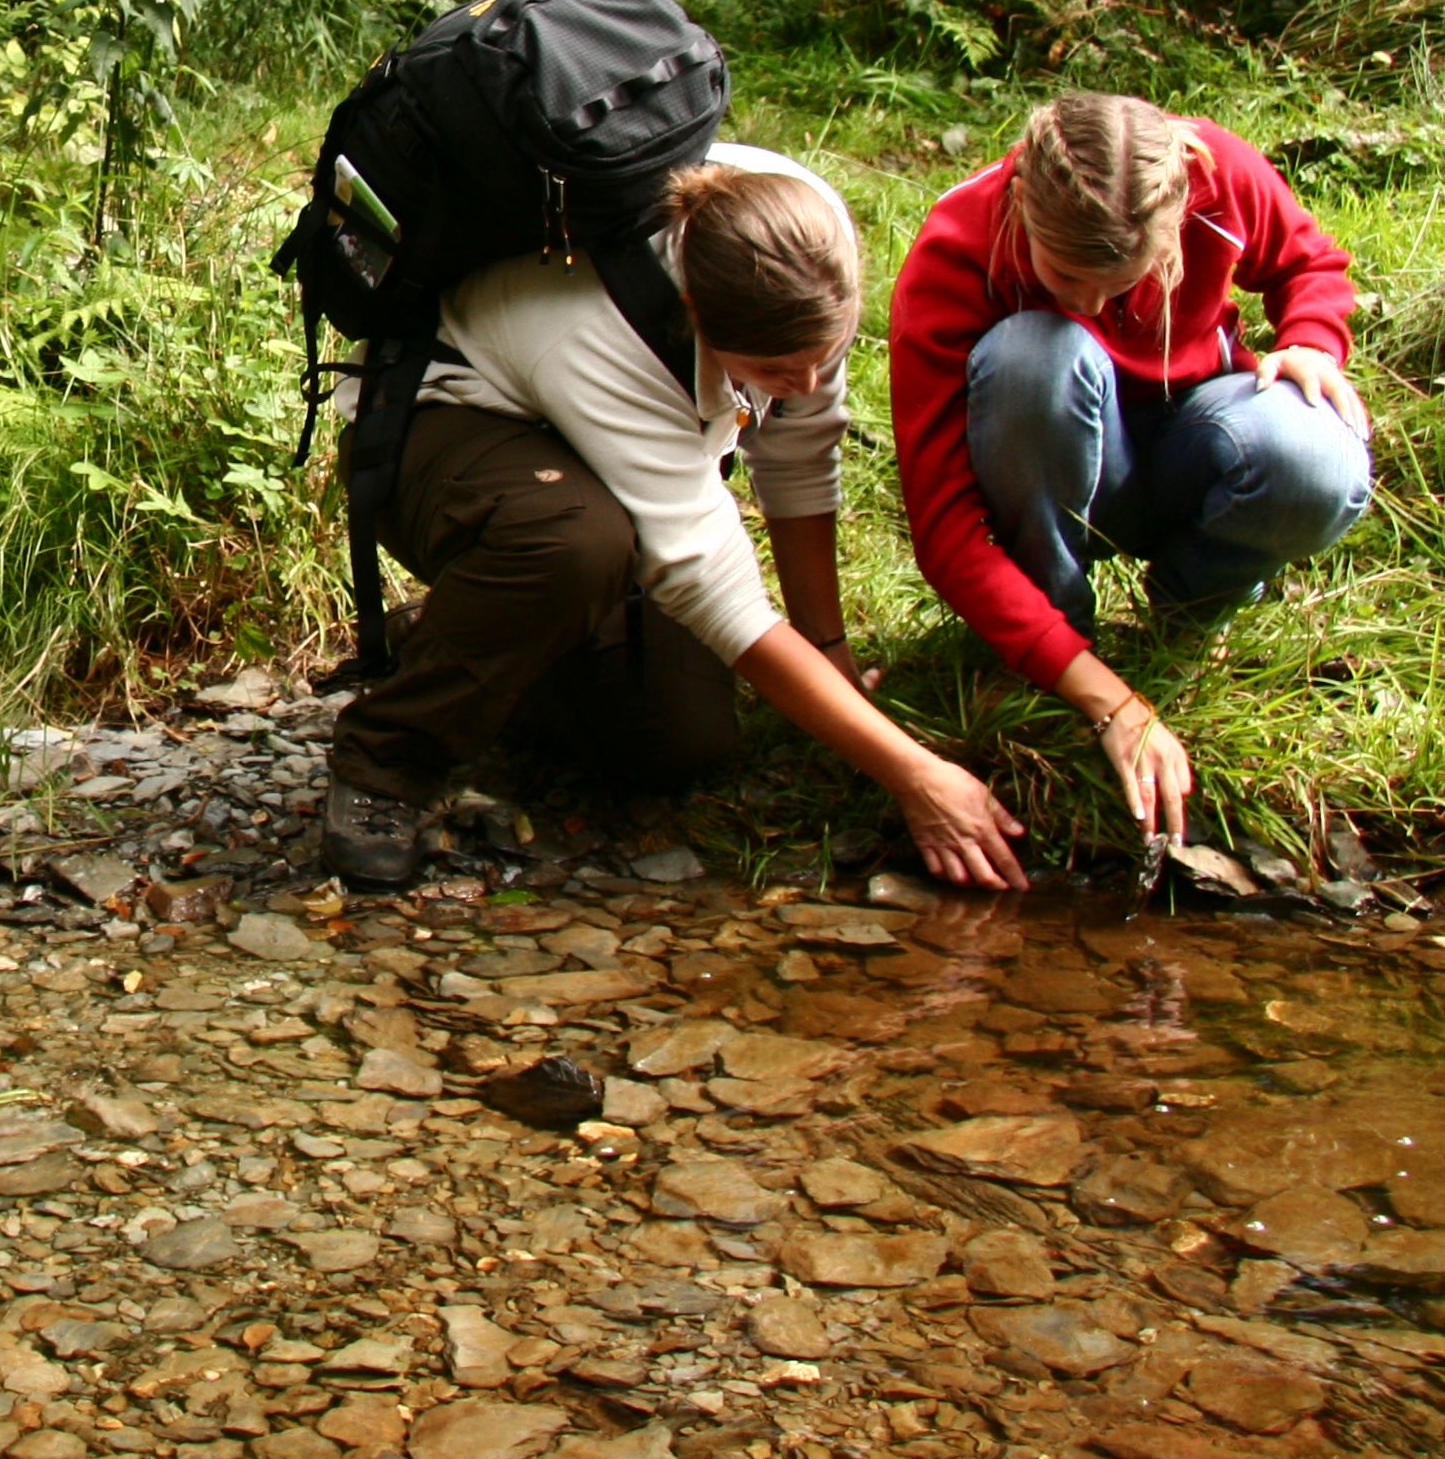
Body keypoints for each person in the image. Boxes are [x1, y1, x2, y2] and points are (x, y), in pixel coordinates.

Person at [320, 145, 1033, 892]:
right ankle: (384, 760)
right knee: (572, 541)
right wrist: (916, 776)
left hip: (579, 447)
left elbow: (797, 454)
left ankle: (467, 632)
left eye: (822, 359)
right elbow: (714, 590)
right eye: (777, 372)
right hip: (438, 428)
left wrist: (828, 649)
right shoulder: (595, 327)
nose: (807, 384)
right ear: (695, 316)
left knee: (677, 742)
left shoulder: (806, 241)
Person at [887, 93, 1372, 846]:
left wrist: (1311, 340)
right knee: (1032, 358)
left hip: (1197, 441)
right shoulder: (959, 243)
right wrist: (1107, 701)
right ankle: (1056, 644)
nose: (1088, 302)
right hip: (1054, 456)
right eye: (1064, 275)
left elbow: (1309, 263)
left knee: (1316, 456)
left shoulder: (1216, 173)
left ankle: (1189, 617)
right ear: (1022, 204)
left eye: (1117, 282)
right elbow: (945, 528)